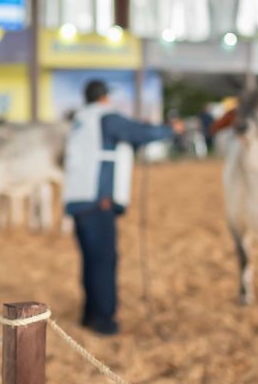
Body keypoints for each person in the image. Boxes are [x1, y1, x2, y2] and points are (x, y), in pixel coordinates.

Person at [62, 80, 184, 335]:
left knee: (90, 259)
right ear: (104, 97)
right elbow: (140, 133)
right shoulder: (107, 117)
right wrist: (170, 129)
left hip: (77, 199)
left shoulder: (80, 120)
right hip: (99, 200)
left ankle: (89, 314)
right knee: (104, 261)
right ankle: (104, 320)